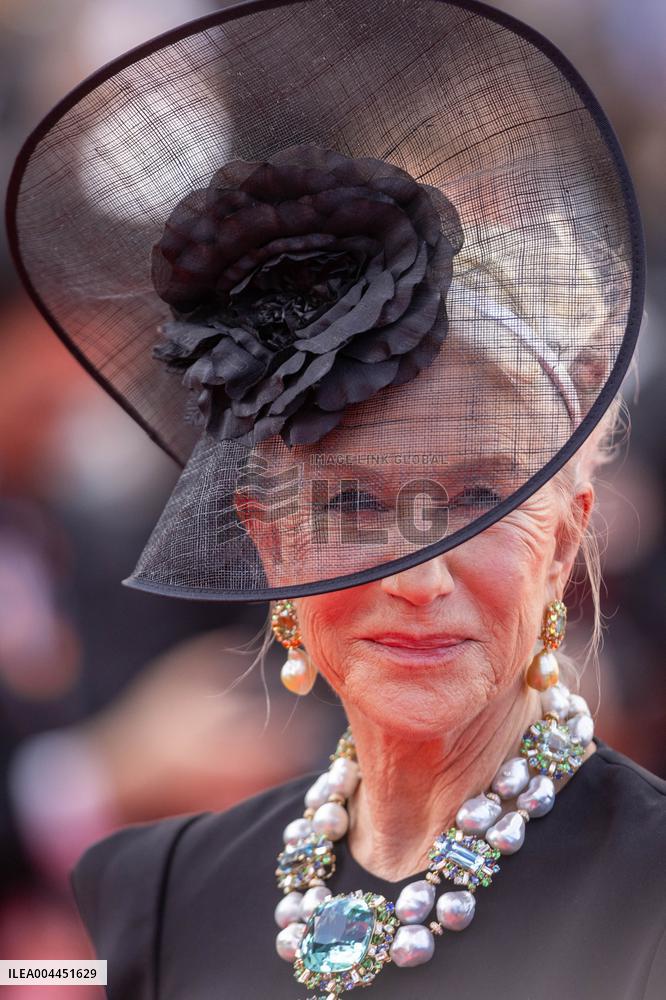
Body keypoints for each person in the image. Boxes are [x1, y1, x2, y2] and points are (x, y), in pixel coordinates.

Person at [7, 1, 664, 997]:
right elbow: (38, 974)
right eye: (354, 502)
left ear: (567, 532)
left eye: (482, 495)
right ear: (271, 543)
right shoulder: (160, 886)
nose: (418, 575)